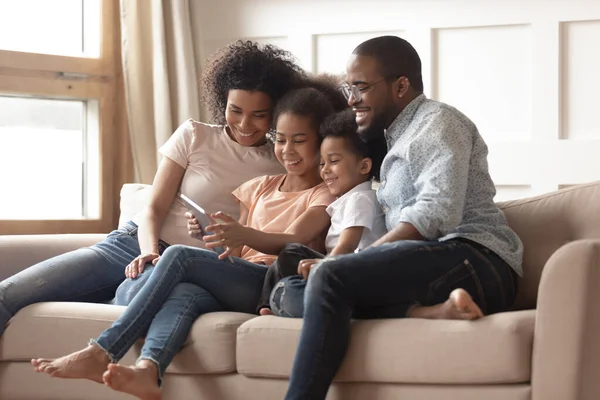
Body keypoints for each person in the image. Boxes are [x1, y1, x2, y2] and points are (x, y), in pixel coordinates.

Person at [31, 84, 346, 400]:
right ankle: (149, 371)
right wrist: (212, 236)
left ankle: (102, 351)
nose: (287, 150)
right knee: (185, 293)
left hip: (271, 284)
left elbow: (293, 240)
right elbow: (233, 254)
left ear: (321, 142)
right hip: (241, 279)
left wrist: (240, 234)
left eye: (300, 141)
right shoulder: (261, 186)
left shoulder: (324, 194)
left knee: (180, 255)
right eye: (279, 139)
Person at [0, 40, 305, 334]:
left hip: (192, 269)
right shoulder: (194, 135)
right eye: (235, 110)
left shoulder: (281, 161)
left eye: (259, 115)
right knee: (9, 294)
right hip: (133, 245)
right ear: (221, 99)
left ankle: (115, 299)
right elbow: (153, 208)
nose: (244, 123)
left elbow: (265, 235)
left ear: (276, 112)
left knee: (129, 299)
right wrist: (149, 254)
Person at [282, 35, 524, 400]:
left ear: (400, 86)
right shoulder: (396, 138)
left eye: (361, 87)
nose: (351, 99)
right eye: (349, 88)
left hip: (476, 259)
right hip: (435, 263)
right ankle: (433, 312)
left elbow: (436, 211)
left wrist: (356, 262)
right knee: (289, 288)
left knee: (329, 277)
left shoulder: (437, 122)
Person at [256, 108, 388, 316]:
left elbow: (348, 244)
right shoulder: (346, 200)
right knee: (291, 258)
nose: (325, 170)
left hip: (352, 271)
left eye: (333, 162)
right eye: (322, 163)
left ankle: (267, 305)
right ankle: (271, 304)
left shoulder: (360, 198)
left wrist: (325, 265)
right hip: (340, 268)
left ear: (364, 166)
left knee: (292, 251)